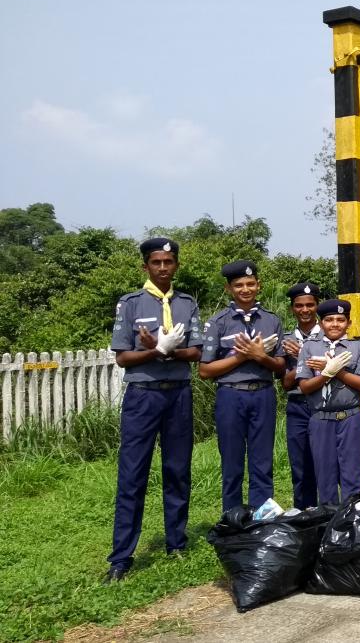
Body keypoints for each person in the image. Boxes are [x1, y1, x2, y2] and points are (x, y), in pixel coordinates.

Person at [105, 237, 202, 582]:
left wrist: (170, 352)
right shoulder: (130, 304)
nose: (163, 267)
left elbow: (196, 353)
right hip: (142, 395)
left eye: (169, 262)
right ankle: (121, 557)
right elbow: (122, 357)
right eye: (156, 262)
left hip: (177, 393)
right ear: (145, 266)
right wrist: (155, 350)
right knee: (133, 475)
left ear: (176, 265)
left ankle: (176, 542)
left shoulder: (187, 303)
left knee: (178, 470)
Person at [199, 260, 285, 512]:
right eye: (238, 285)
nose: (245, 289)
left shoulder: (271, 321)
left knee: (262, 463)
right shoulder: (218, 322)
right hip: (231, 397)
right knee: (232, 463)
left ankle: (261, 523)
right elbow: (205, 370)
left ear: (258, 285)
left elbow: (281, 366)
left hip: (263, 395)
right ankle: (233, 520)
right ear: (229, 289)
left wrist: (261, 357)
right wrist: (241, 357)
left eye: (250, 284)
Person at [296, 299, 360, 505]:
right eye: (329, 320)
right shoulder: (309, 347)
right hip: (321, 418)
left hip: (350, 417)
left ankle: (352, 521)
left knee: (353, 475)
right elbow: (304, 386)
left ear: (348, 322)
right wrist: (325, 373)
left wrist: (337, 370)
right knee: (325, 475)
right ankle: (329, 524)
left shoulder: (357, 347)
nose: (335, 324)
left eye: (340, 320)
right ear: (321, 323)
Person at [279, 281, 321, 509]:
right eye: (299, 306)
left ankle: (330, 514)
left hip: (323, 404)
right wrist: (308, 361)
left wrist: (303, 357)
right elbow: (286, 383)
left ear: (317, 306)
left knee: (327, 464)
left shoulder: (330, 334)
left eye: (310, 305)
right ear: (292, 308)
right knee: (301, 466)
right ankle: (304, 516)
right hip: (297, 405)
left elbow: (335, 371)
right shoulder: (286, 339)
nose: (305, 310)